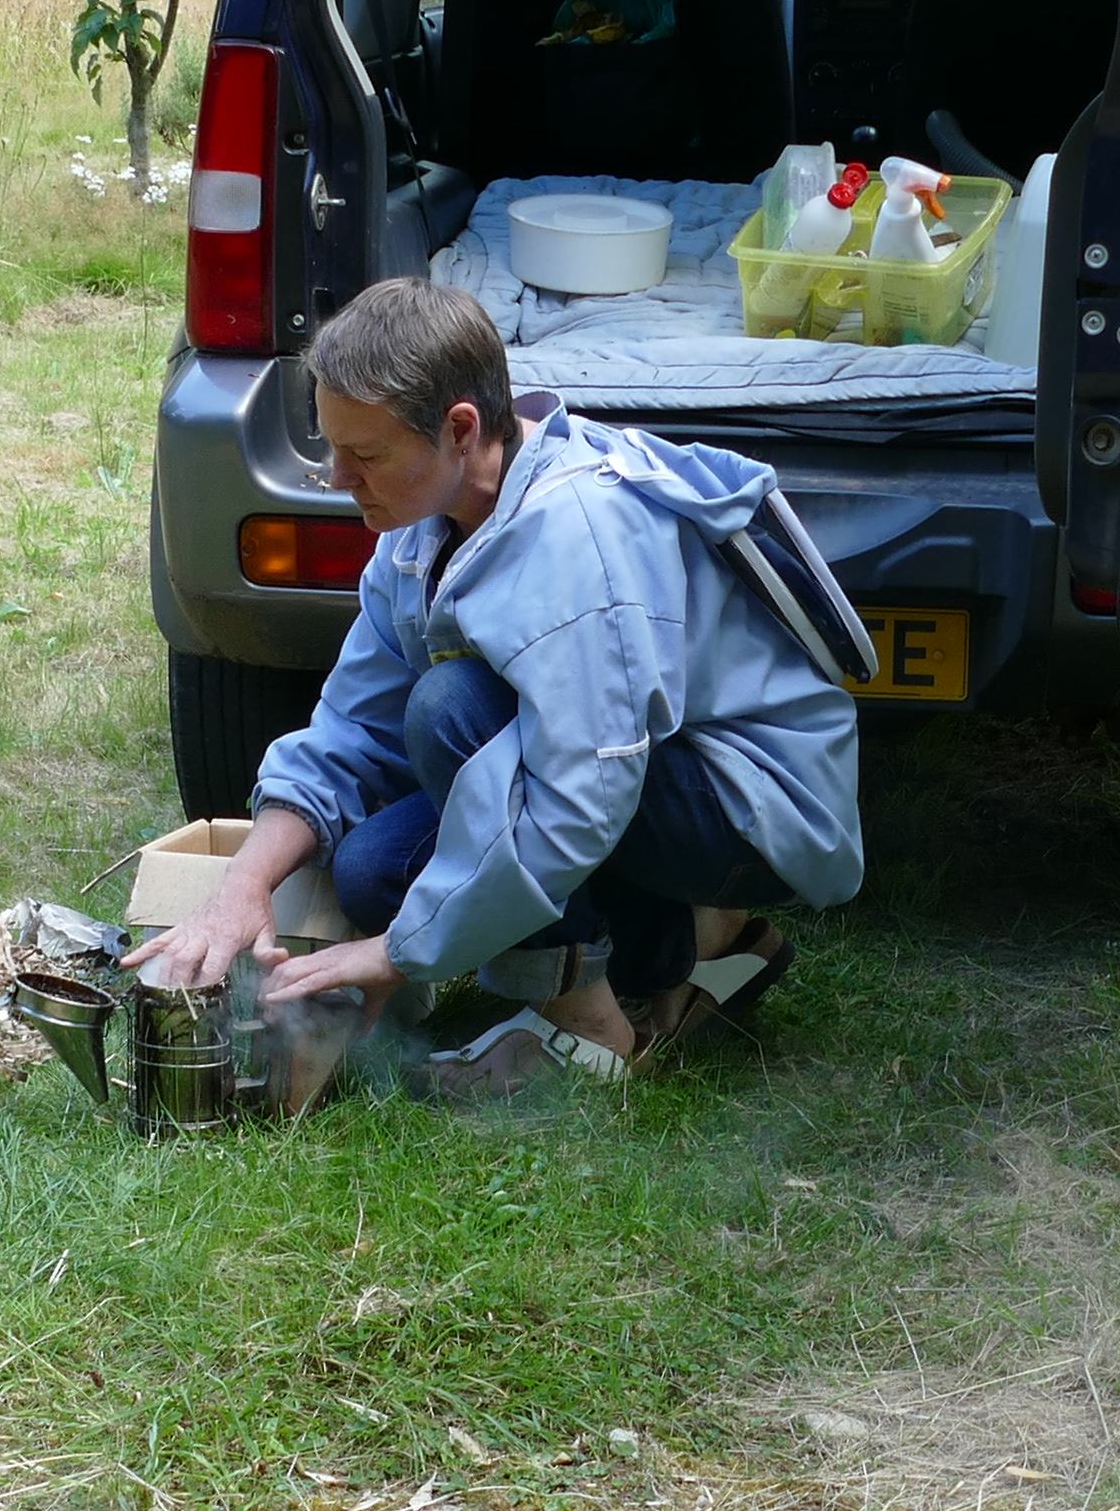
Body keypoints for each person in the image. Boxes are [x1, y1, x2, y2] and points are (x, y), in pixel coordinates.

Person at [132, 279, 866, 1101]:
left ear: (460, 428)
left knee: (453, 711)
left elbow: (583, 798)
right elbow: (349, 731)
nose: (338, 477)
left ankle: (586, 1030)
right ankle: (696, 945)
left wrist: (397, 953)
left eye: (365, 455)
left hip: (749, 811)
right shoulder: (421, 522)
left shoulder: (576, 535)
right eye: (333, 446)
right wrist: (244, 886)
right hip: (636, 782)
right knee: (377, 869)